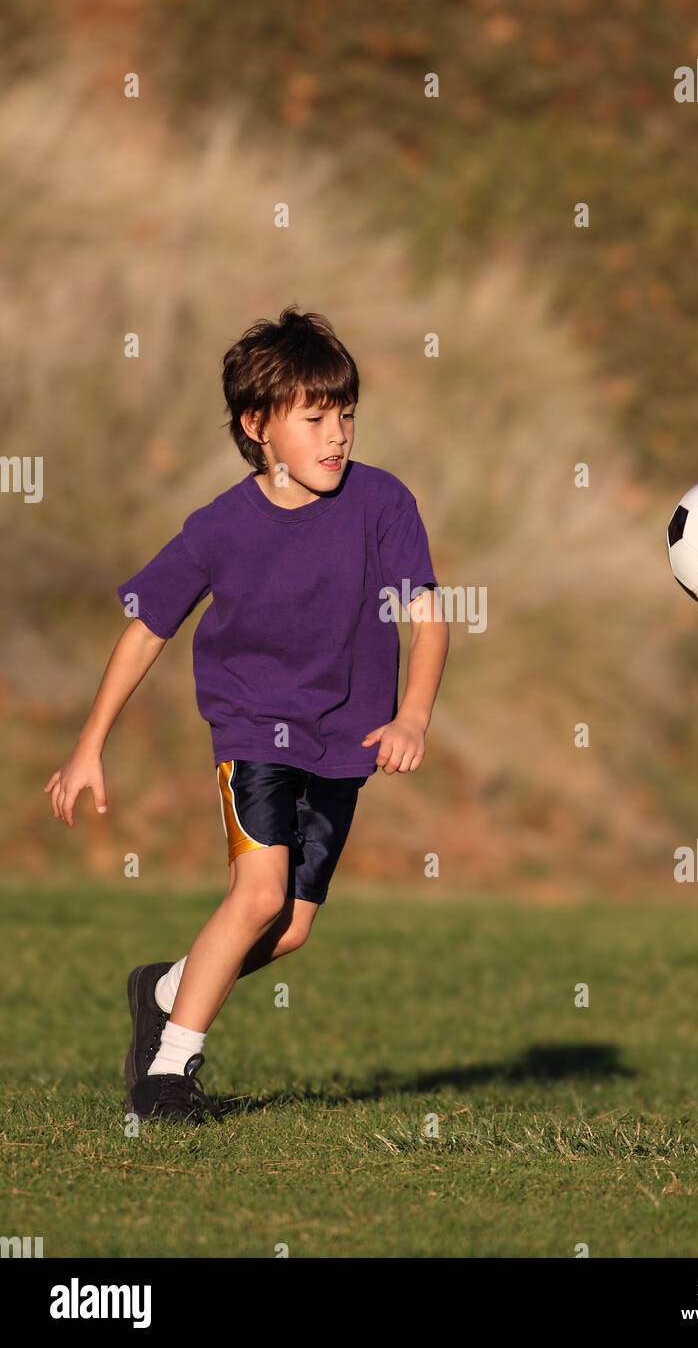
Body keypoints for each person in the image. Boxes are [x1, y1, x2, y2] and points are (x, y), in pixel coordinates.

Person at [44, 305, 449, 1125]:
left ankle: (163, 988)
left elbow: (428, 614)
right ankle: (168, 1077)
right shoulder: (220, 527)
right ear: (256, 425)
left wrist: (413, 716)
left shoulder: (384, 503)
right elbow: (145, 629)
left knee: (290, 929)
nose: (336, 435)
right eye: (314, 418)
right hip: (255, 729)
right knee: (258, 895)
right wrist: (89, 746)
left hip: (346, 741)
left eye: (346, 416)